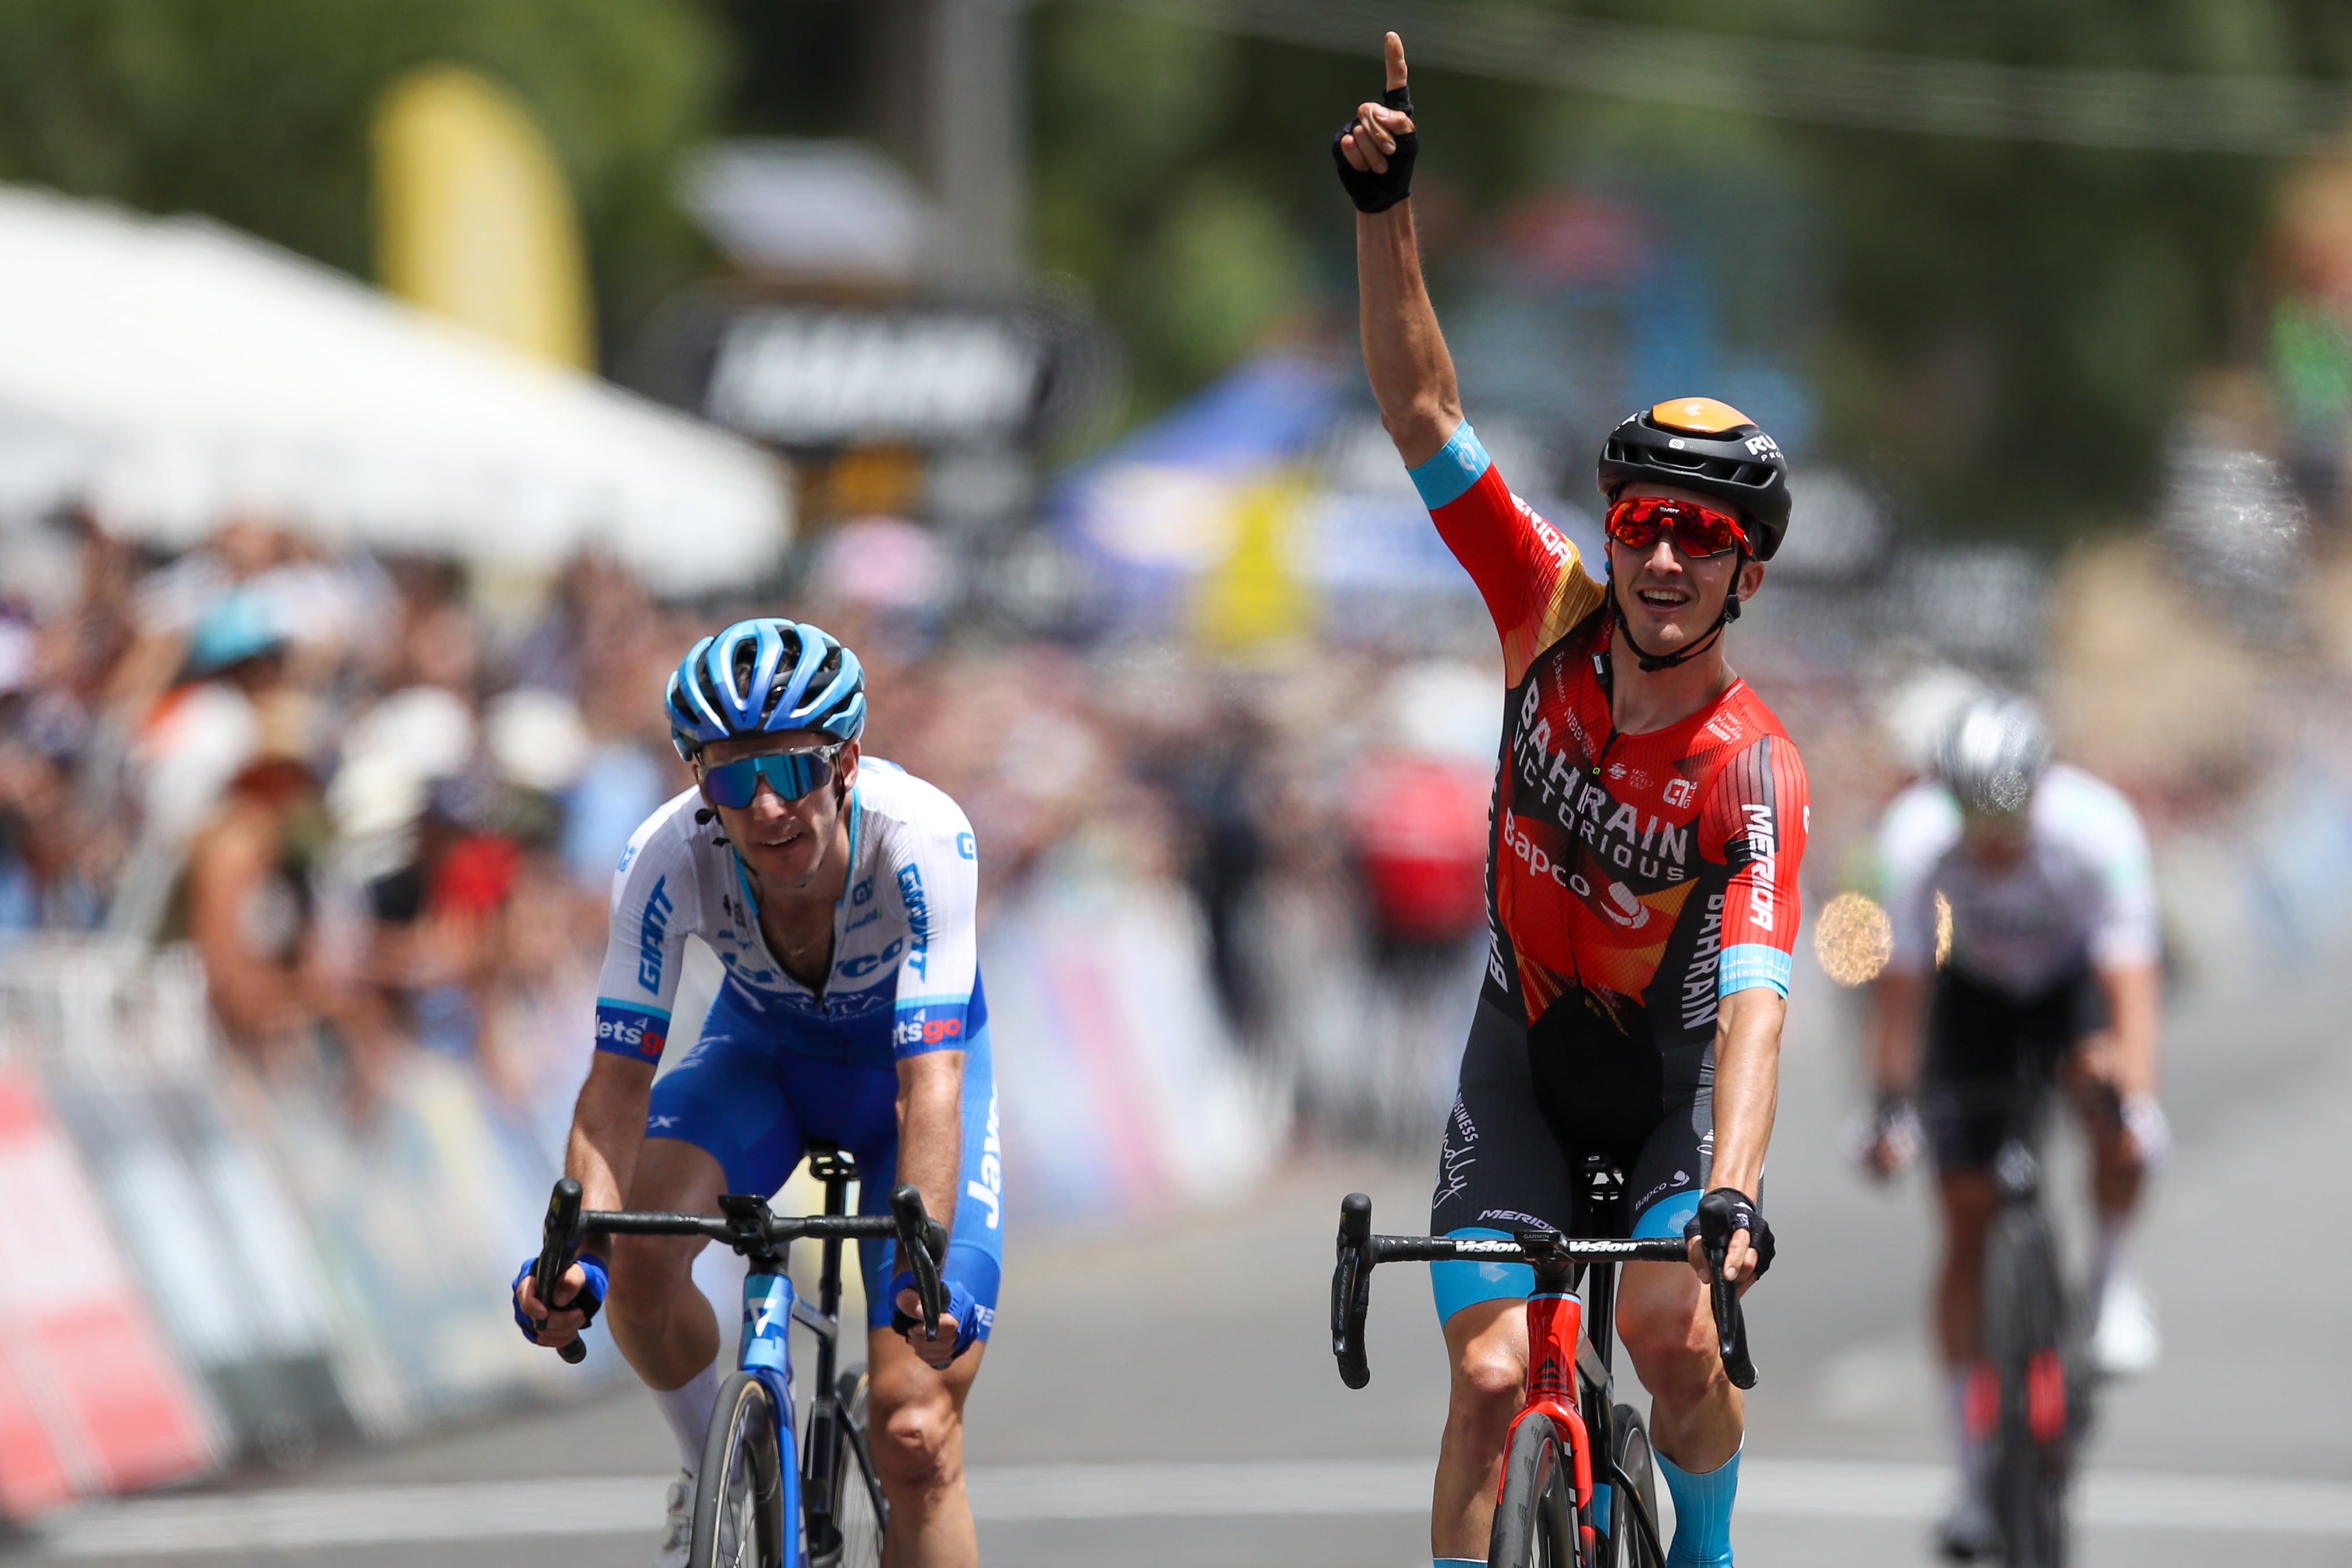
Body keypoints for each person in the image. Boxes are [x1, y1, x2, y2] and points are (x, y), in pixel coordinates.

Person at [1337, 34, 1811, 1568]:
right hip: (1523, 1055)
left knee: (1676, 1337)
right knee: (1489, 1373)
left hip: (1673, 1082)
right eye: (1643, 524)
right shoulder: (1544, 607)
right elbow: (1422, 410)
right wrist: (1386, 212)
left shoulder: (1754, 763)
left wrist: (1731, 1187)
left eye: (1701, 534)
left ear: (1747, 565)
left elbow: (1752, 999)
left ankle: (1709, 1544)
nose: (1663, 556)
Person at [510, 618, 1001, 1568]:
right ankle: (720, 1483)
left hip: (907, 1095)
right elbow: (617, 1080)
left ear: (847, 760)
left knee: (915, 1432)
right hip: (761, 1063)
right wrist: (574, 1251)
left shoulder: (925, 836)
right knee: (641, 1275)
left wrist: (923, 1269)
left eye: (796, 771)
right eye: (734, 779)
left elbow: (930, 1081)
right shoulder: (662, 856)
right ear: (700, 783)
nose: (770, 807)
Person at [1859, 693, 2167, 1560]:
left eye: (2010, 823)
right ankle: (1972, 1478)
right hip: (1977, 995)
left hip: (2074, 986)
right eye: (1976, 824)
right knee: (1962, 1216)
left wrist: (2135, 1104)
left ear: (2042, 792)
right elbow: (1905, 989)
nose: (1993, 846)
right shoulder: (1914, 837)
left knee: (2111, 1098)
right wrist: (1890, 1104)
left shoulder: (2097, 827)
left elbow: (2132, 983)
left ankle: (2111, 1284)